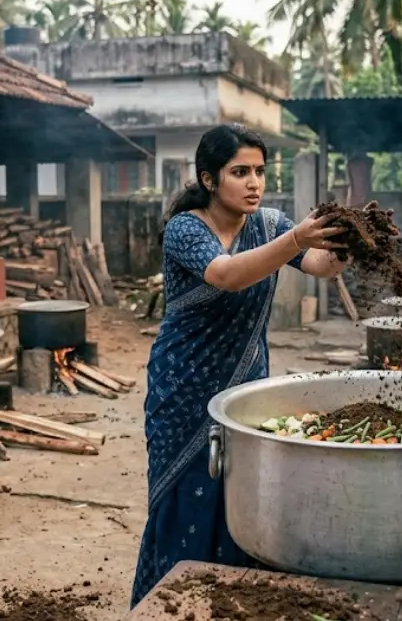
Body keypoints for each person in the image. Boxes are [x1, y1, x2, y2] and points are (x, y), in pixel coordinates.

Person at [131, 124, 363, 604]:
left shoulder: (270, 224)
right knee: (183, 499)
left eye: (259, 171)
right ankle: (168, 606)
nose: (254, 183)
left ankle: (231, 606)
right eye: (240, 172)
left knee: (242, 500)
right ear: (209, 179)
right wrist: (296, 238)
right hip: (183, 387)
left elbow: (319, 265)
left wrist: (348, 243)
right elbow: (227, 274)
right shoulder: (185, 229)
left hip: (245, 387)